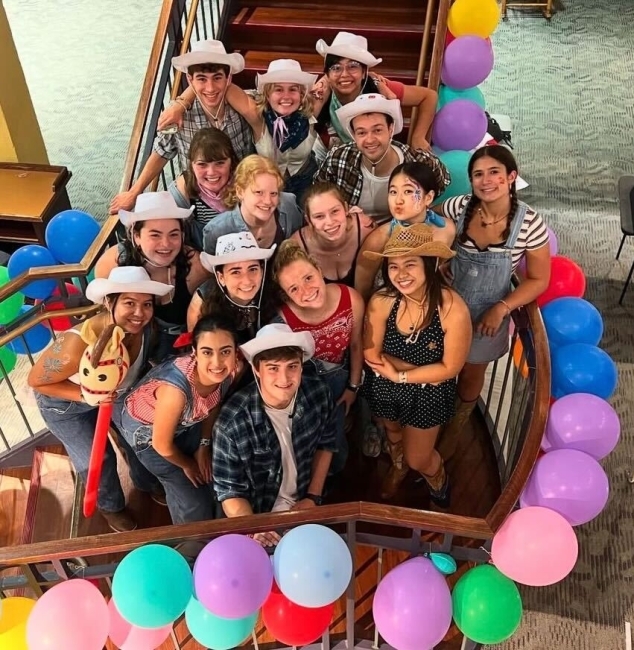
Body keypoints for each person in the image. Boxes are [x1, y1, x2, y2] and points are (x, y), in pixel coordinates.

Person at [27, 267, 173, 532]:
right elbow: (36, 380)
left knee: (136, 439)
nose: (139, 313)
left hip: (116, 395)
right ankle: (110, 506)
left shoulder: (146, 329)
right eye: (129, 303)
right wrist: (87, 395)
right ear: (110, 302)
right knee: (97, 459)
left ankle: (147, 483)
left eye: (146, 304)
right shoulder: (76, 345)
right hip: (65, 404)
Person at [437, 145, 551, 452]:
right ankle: (432, 419)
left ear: (511, 177)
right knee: (437, 363)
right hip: (445, 306)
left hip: (488, 315)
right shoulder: (458, 207)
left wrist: (502, 308)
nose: (486, 181)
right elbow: (429, 225)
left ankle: (453, 432)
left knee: (472, 372)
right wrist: (439, 258)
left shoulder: (530, 224)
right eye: (478, 174)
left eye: (494, 173)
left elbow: (540, 279)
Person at [362, 224, 471, 506]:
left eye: (410, 264)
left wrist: (399, 374)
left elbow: (450, 368)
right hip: (387, 384)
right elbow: (372, 354)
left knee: (419, 457)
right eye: (393, 266)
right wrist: (423, 372)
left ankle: (438, 481)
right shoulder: (382, 300)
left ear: (430, 264)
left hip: (426, 396)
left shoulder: (452, 308)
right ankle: (399, 468)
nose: (401, 274)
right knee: (393, 434)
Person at [212, 323, 337, 546]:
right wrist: (256, 529)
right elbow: (230, 491)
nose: (284, 378)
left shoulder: (318, 392)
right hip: (257, 516)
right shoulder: (231, 422)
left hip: (306, 503)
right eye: (273, 368)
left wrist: (312, 498)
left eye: (292, 366)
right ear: (256, 370)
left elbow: (326, 443)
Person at [115, 314, 241, 524]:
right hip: (149, 436)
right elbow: (161, 444)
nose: (217, 363)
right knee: (195, 505)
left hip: (186, 424)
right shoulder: (175, 392)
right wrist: (188, 464)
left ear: (236, 353)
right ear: (195, 353)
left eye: (225, 351)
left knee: (217, 479)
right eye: (207, 352)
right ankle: (189, 546)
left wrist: (203, 446)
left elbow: (214, 402)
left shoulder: (231, 371)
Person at [110, 40, 254, 213]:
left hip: (240, 195)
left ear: (228, 78)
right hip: (198, 197)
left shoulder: (243, 105)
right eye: (201, 79)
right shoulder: (179, 116)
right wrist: (134, 192)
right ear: (190, 80)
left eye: (217, 78)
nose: (210, 87)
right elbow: (162, 151)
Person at [164, 59, 325, 201]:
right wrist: (182, 103)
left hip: (305, 179)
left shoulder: (309, 113)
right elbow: (222, 85)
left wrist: (323, 86)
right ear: (267, 94)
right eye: (278, 89)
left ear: (302, 93)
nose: (286, 96)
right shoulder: (258, 116)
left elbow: (330, 78)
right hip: (267, 185)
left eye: (293, 89)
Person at [273, 241, 365, 474]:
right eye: (294, 289)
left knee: (339, 450)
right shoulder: (283, 321)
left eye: (308, 278)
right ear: (286, 296)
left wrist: (352, 388)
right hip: (306, 389)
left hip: (342, 377)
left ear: (319, 270)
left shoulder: (350, 299)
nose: (306, 290)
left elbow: (356, 345)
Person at [96, 192, 210, 361]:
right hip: (128, 344)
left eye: (173, 234)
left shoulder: (196, 267)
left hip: (178, 347)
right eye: (155, 235)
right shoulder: (111, 264)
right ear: (137, 236)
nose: (165, 244)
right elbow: (106, 312)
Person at [314, 93, 450, 224]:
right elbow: (319, 192)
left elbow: (442, 182)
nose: (370, 140)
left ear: (391, 129)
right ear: (353, 135)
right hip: (351, 233)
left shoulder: (421, 161)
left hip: (400, 234)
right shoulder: (338, 157)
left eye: (377, 130)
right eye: (361, 132)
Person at [314, 31, 438, 151]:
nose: (344, 74)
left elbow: (429, 96)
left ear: (364, 72)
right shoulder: (320, 93)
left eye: (353, 66)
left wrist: (418, 136)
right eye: (336, 67)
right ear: (327, 74)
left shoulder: (380, 88)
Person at [355, 162, 455, 300]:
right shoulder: (379, 238)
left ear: (428, 197)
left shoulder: (446, 229)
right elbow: (362, 287)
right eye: (393, 192)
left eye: (408, 191)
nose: (398, 200)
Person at [187, 232, 278, 344]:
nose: (247, 280)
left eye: (253, 269)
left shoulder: (273, 293)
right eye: (236, 272)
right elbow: (199, 349)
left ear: (262, 270)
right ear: (221, 277)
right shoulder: (202, 302)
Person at [202, 154, 303, 254]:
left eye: (273, 193)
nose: (268, 201)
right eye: (259, 192)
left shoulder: (289, 206)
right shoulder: (217, 231)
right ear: (240, 191)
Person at [290, 182, 374, 287]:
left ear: (346, 209)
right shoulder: (298, 246)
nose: (329, 222)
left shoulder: (365, 228)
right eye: (319, 216)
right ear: (309, 220)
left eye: (335, 211)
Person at [167, 128, 239, 250]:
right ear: (191, 165)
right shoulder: (183, 191)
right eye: (202, 164)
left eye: (220, 163)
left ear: (231, 162)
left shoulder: (246, 185)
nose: (211, 172)